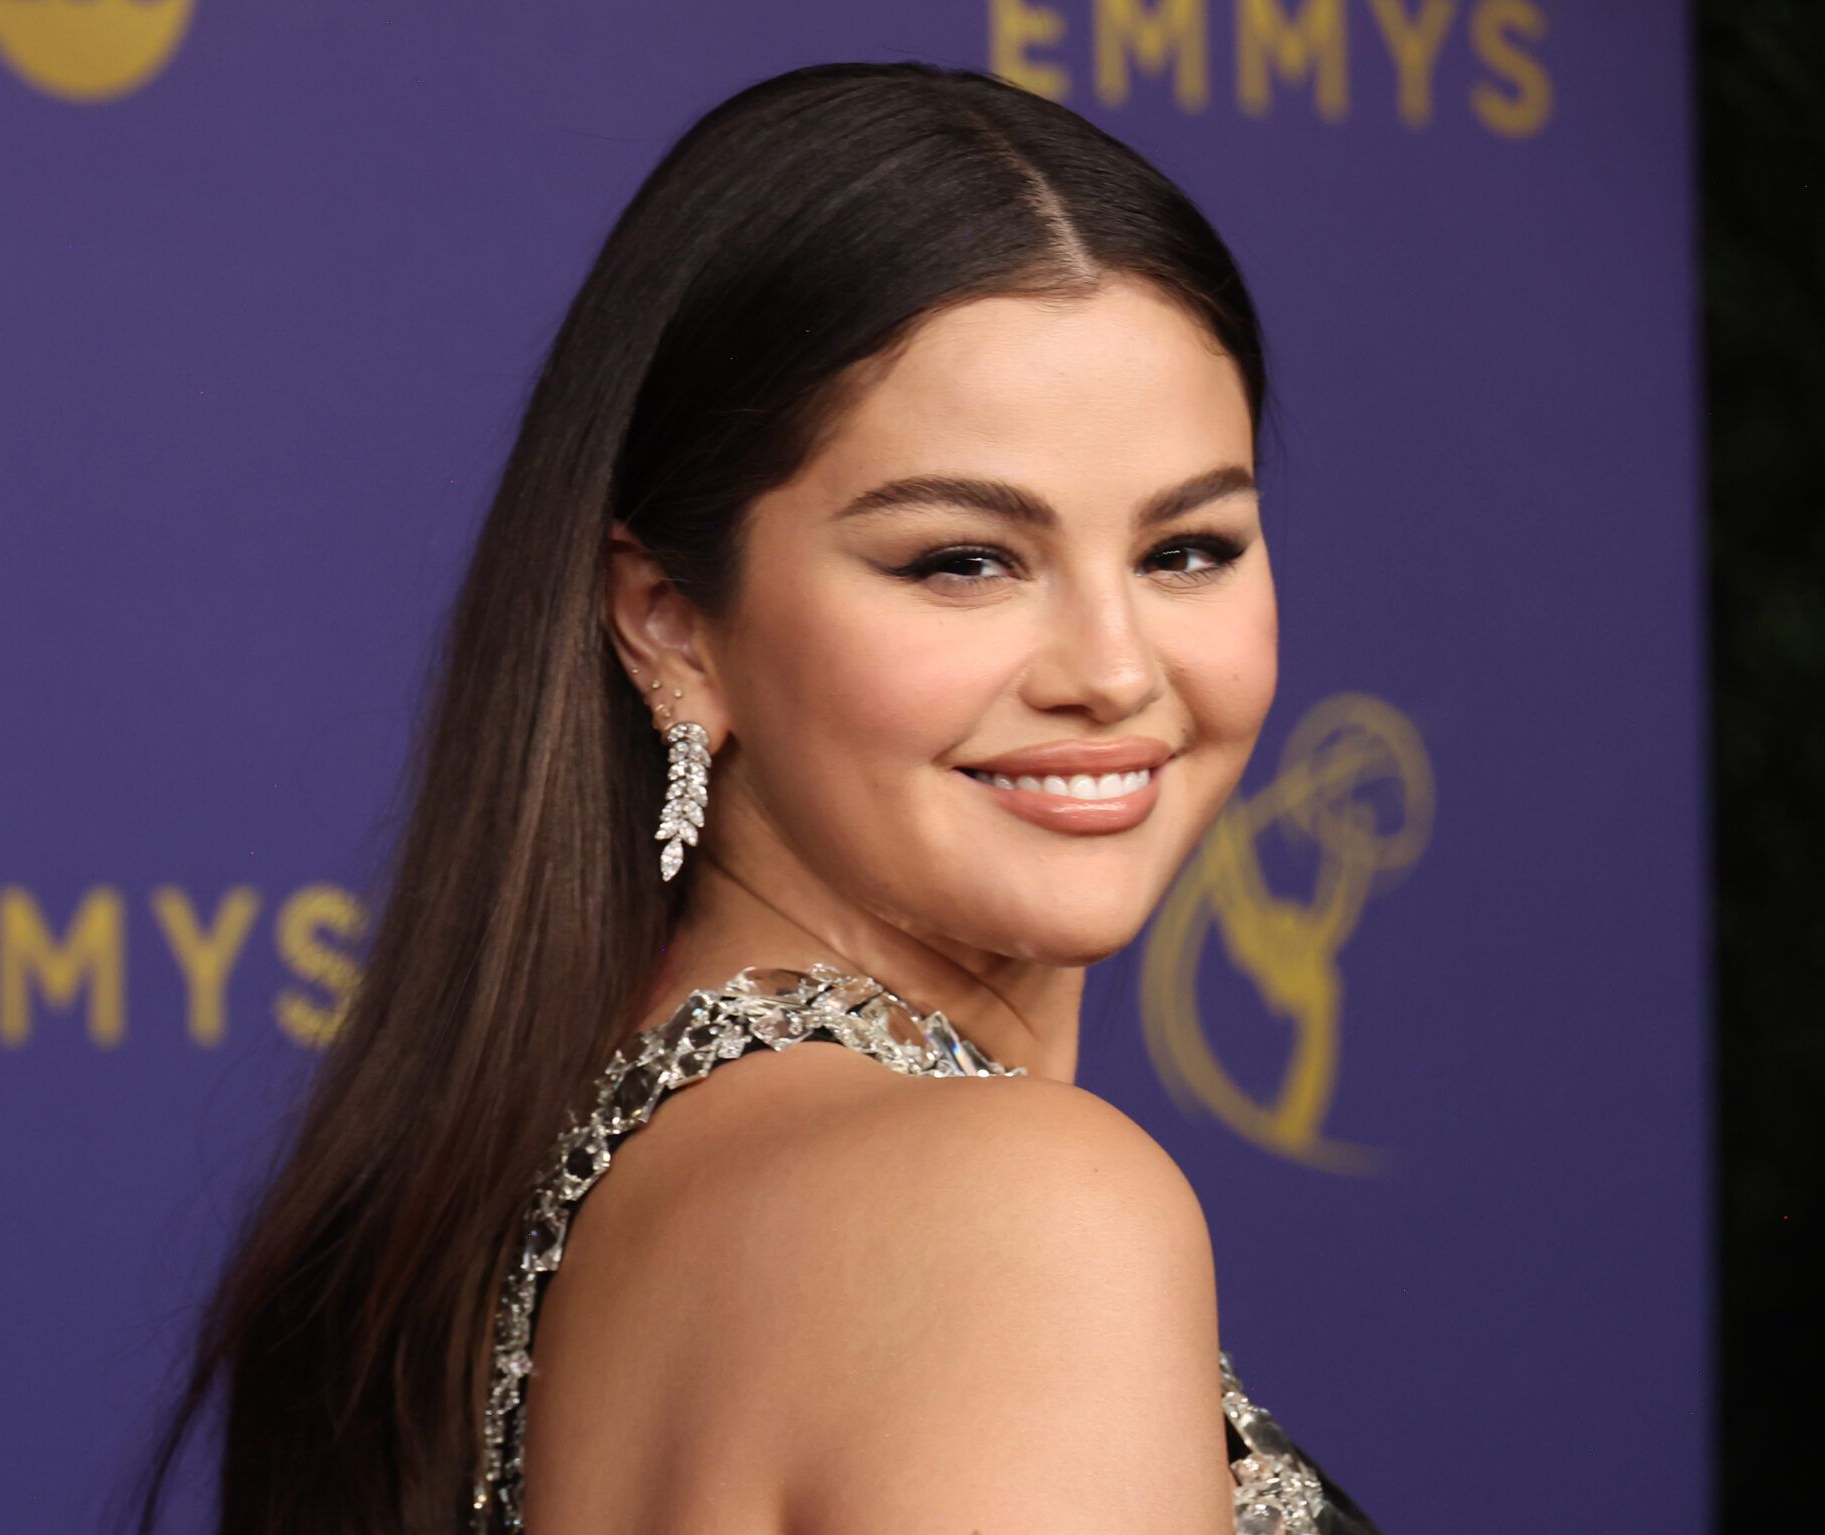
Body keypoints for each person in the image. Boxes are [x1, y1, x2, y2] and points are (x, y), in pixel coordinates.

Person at [122, 60, 1382, 1535]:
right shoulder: (1017, 1214)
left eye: (1189, 549)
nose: (1114, 670)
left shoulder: (526, 1203)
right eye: (962, 559)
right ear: (668, 617)